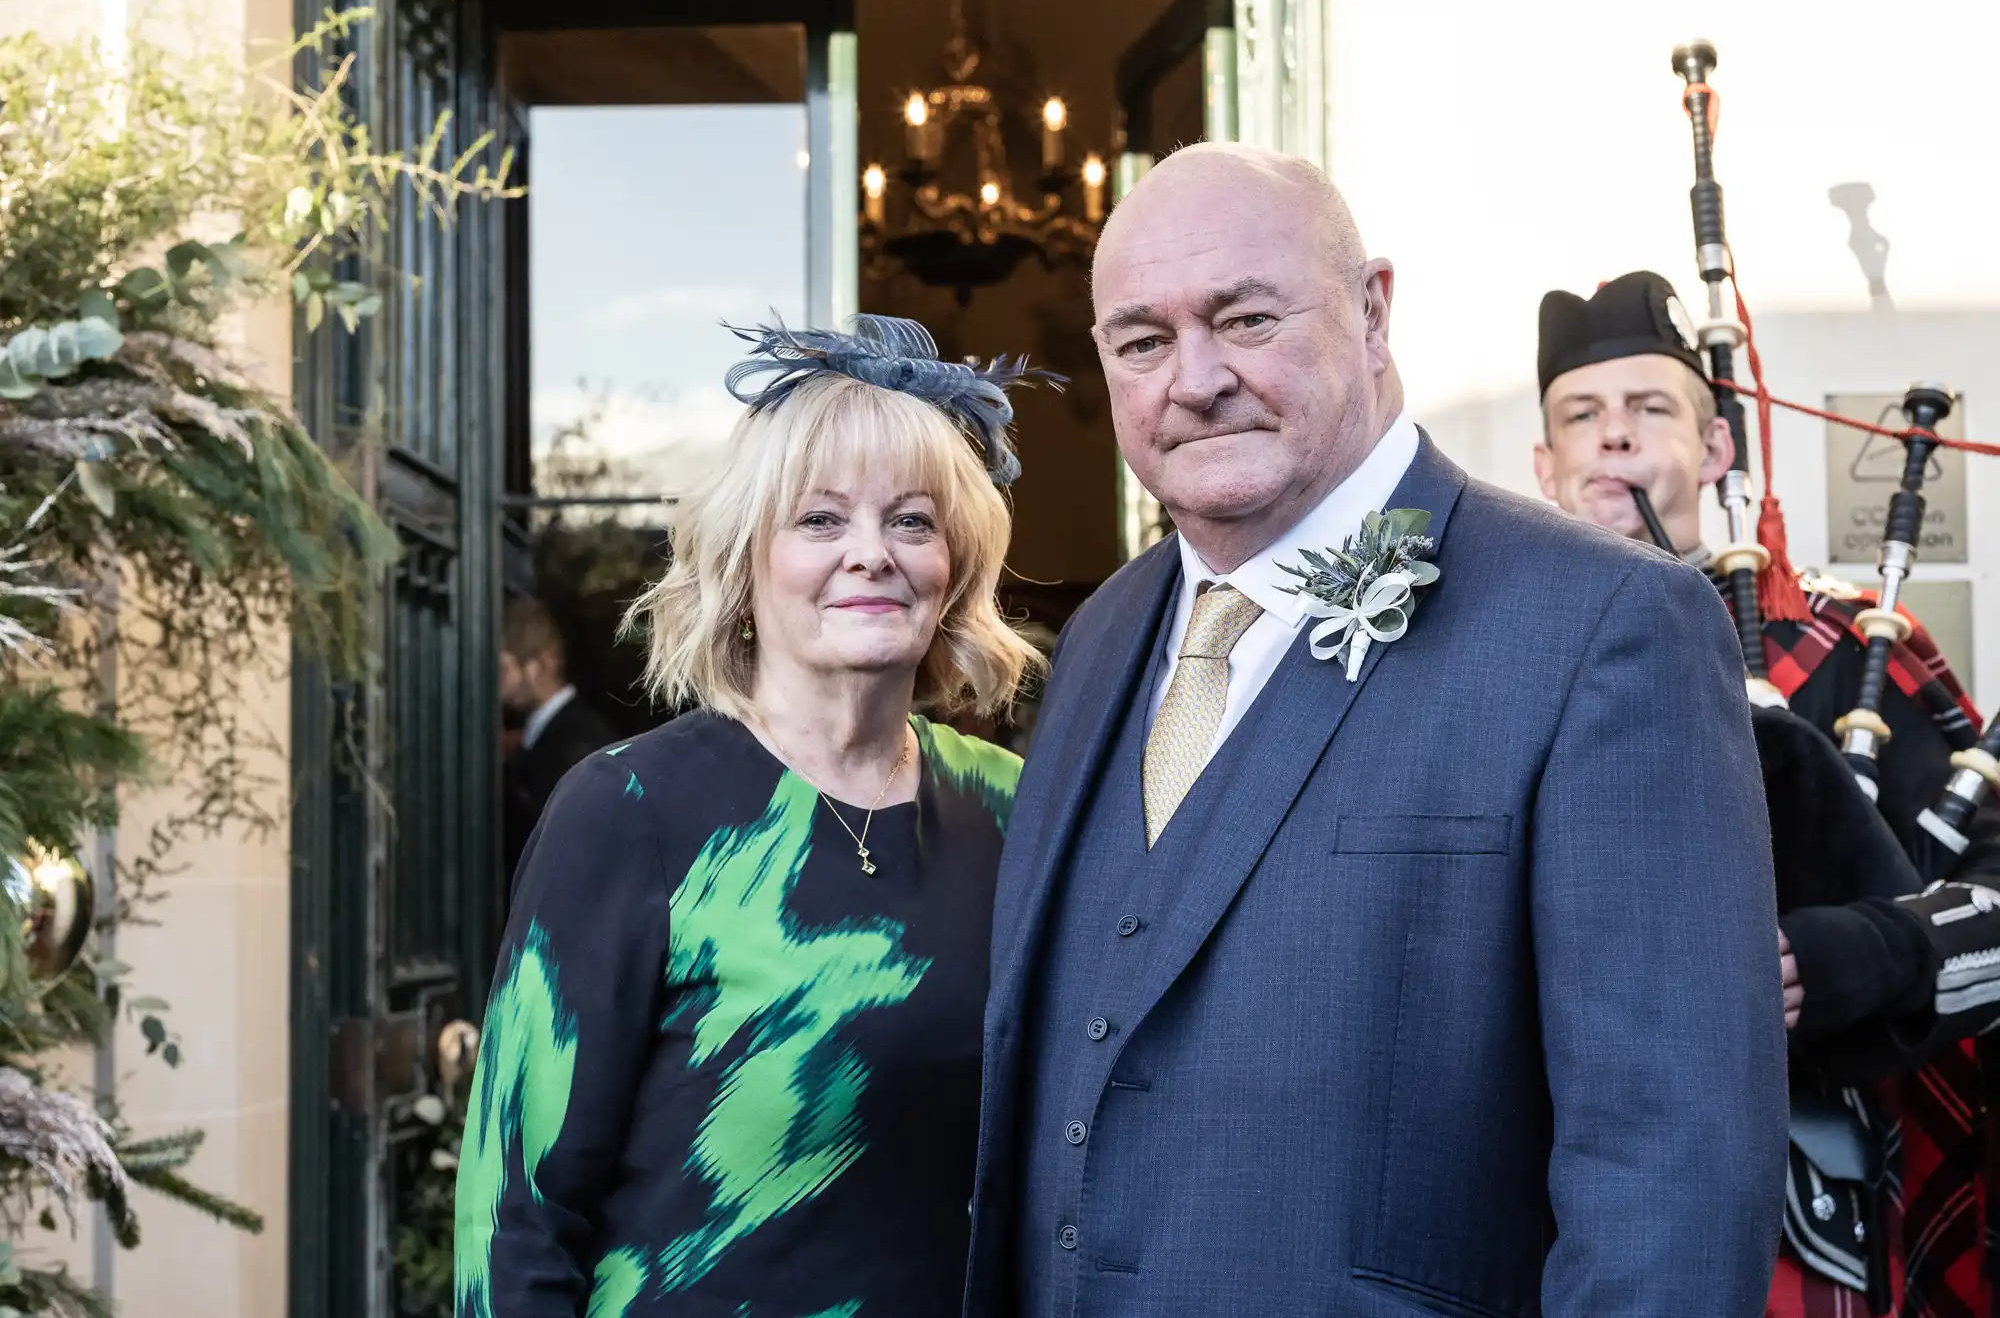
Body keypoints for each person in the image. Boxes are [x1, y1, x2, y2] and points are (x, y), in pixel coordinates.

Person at [966, 143, 1787, 1318]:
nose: (1192, 379)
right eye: (1141, 341)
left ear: (1371, 311)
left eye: (1243, 318)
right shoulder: (1100, 635)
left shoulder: (1606, 625)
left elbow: (1670, 1174)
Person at [455, 314, 1045, 1318]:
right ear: (743, 571)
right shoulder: (630, 810)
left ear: (953, 571)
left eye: (910, 520)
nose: (871, 553)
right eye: (820, 520)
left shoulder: (1013, 807)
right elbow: (513, 1222)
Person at [1533, 270, 2000, 1316]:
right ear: (1542, 464)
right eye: (1580, 414)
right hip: (1541, 1184)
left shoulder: (1836, 650)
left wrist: (1854, 954)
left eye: (1649, 407)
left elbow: (1991, 909)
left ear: (1712, 451)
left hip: (1808, 1195)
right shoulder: (1489, 662)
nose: (1614, 436)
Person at [499, 597, 618, 883]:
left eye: (503, 669)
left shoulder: (576, 747)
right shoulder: (560, 736)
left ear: (540, 665)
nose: (496, 682)